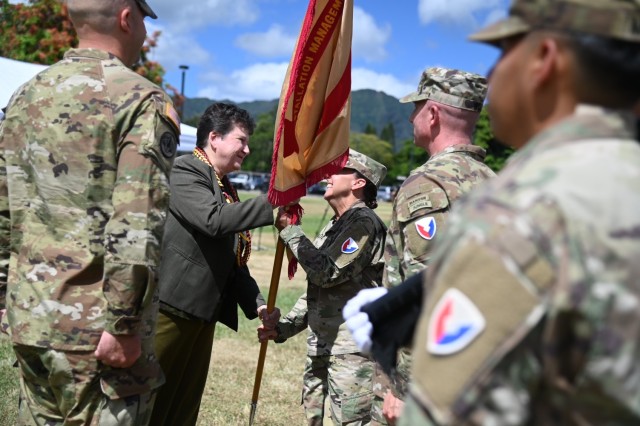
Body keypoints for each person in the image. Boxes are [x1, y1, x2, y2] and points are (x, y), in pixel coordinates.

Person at [395, 0, 639, 423]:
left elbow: (452, 401)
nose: (491, 77)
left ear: (543, 59)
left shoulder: (523, 205)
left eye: (505, 51)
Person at [0, 0, 179, 424]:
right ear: (126, 18)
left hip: (29, 316)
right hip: (96, 336)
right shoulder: (139, 99)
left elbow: (4, 205)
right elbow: (137, 221)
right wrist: (122, 324)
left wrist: (4, 295)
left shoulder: (25, 96)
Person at [368, 68, 495, 425]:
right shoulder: (499, 183)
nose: (411, 117)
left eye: (417, 107)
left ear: (434, 114)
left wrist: (403, 388)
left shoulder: (426, 184)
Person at [150, 102, 280, 426]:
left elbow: (233, 262)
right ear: (214, 138)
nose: (247, 149)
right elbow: (213, 220)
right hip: (170, 312)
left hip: (201, 316)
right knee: (150, 405)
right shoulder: (185, 170)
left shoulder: (224, 187)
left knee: (181, 411)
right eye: (242, 140)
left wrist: (259, 306)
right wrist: (274, 203)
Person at [259, 149, 388, 425]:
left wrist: (291, 231)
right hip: (322, 346)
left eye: (339, 170)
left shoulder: (364, 224)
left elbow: (325, 273)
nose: (328, 175)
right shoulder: (336, 224)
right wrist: (282, 328)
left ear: (359, 183)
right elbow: (315, 293)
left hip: (351, 353)